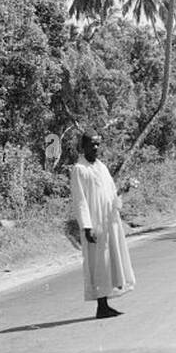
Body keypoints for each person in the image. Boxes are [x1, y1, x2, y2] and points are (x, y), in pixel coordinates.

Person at [69, 131, 135, 319]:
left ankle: (105, 305)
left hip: (109, 221)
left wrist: (122, 191)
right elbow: (80, 200)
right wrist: (86, 226)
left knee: (109, 262)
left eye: (98, 144)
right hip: (95, 223)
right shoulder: (79, 169)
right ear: (83, 147)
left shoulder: (102, 167)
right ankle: (101, 305)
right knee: (98, 264)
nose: (95, 148)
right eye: (92, 144)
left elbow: (110, 193)